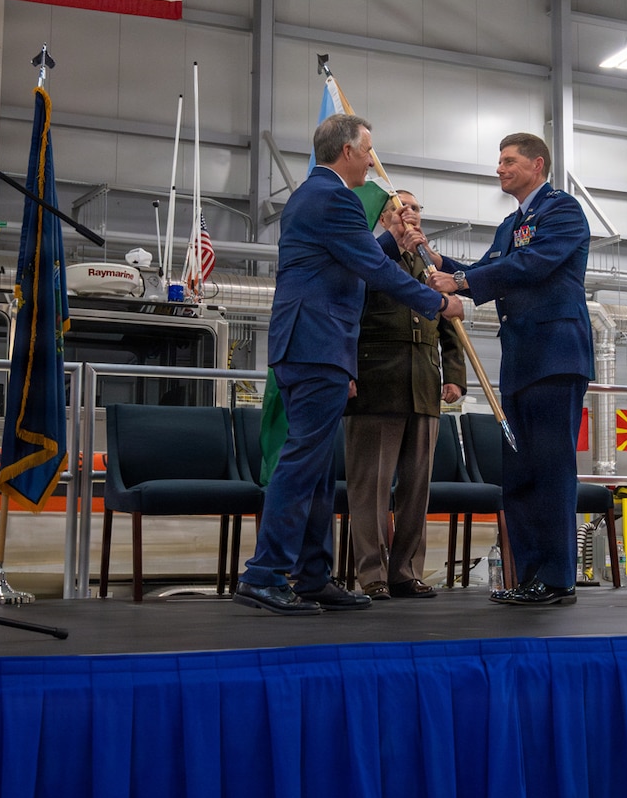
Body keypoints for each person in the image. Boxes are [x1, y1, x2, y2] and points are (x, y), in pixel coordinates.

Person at [236, 115, 465, 616]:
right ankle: (265, 573)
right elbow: (374, 271)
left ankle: (313, 576)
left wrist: (391, 244)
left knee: (317, 468)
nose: (370, 160)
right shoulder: (335, 196)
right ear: (346, 151)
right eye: (367, 150)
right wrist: (439, 304)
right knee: (301, 463)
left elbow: (351, 258)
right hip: (317, 345)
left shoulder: (313, 196)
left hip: (309, 344)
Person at [420, 132, 593, 606]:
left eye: (509, 161)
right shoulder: (508, 224)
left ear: (538, 165)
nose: (500, 168)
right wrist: (439, 262)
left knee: (551, 470)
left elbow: (531, 266)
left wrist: (460, 280)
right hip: (519, 361)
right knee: (518, 473)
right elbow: (492, 267)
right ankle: (529, 572)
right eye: (498, 161)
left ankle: (556, 578)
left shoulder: (563, 211)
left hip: (556, 357)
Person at [342, 190, 467, 600]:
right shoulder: (369, 255)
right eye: (399, 209)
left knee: (416, 487)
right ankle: (372, 573)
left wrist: (454, 375)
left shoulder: (430, 264)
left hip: (423, 385)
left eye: (414, 208)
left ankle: (406, 571)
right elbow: (346, 313)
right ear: (383, 220)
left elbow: (447, 322)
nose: (409, 214)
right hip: (377, 380)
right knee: (371, 486)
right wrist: (346, 369)